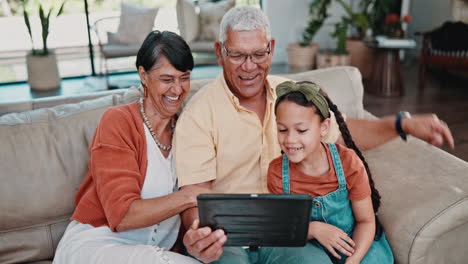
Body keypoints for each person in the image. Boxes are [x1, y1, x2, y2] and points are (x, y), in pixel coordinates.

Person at [174, 6, 454, 264]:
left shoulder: (291, 94)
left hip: (288, 237)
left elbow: (345, 132)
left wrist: (400, 124)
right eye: (236, 54)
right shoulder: (199, 114)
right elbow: (193, 199)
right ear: (220, 52)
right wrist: (200, 235)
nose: (249, 66)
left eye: (258, 54)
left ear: (271, 49)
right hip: (230, 239)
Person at [53, 30, 208, 264]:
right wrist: (188, 196)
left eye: (184, 78)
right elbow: (123, 215)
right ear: (143, 75)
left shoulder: (188, 130)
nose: (177, 90)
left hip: (151, 253)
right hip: (99, 246)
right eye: (167, 79)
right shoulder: (118, 122)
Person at [267, 80, 394, 264]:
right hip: (308, 247)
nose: (290, 139)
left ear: (324, 128)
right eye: (282, 130)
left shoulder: (347, 162)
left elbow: (366, 222)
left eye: (301, 130)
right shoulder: (277, 172)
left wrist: (353, 260)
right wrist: (313, 229)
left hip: (356, 242)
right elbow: (284, 227)